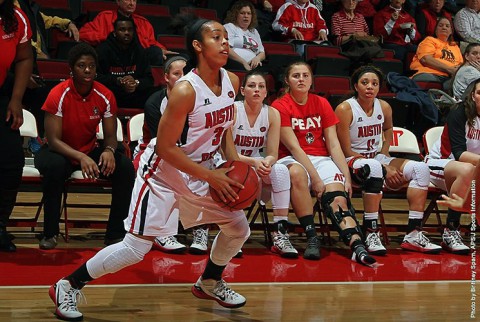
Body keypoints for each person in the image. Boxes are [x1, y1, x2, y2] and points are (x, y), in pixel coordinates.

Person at [49, 19, 249, 321]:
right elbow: (167, 148)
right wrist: (210, 176)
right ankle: (68, 284)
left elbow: (225, 130)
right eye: (216, 37)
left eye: (226, 37)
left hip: (203, 169)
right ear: (197, 46)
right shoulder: (185, 91)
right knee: (135, 248)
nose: (225, 42)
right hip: (164, 172)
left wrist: (233, 166)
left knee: (238, 228)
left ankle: (209, 280)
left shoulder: (232, 82)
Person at [271, 61, 376, 265]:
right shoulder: (279, 106)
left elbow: (334, 145)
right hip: (291, 159)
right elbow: (294, 148)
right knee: (297, 174)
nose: (301, 79)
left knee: (337, 198)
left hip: (321, 158)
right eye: (296, 76)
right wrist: (317, 179)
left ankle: (356, 244)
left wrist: (345, 176)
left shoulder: (321, 102)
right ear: (287, 80)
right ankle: (312, 237)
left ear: (311, 80)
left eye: (305, 75)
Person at [34, 43, 135, 250]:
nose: (87, 70)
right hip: (57, 150)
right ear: (71, 69)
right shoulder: (58, 94)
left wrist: (108, 151)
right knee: (55, 168)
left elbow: (109, 136)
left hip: (89, 148)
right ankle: (50, 233)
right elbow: (53, 140)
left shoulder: (105, 95)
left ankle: (115, 233)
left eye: (91, 66)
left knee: (124, 167)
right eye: (81, 66)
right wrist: (81, 157)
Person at [335, 65, 442, 255]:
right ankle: (371, 231)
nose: (370, 87)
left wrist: (383, 153)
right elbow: (345, 150)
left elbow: (388, 129)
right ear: (355, 85)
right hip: (351, 161)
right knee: (375, 167)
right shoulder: (345, 109)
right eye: (365, 83)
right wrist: (383, 167)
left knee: (421, 169)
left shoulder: (384, 106)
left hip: (376, 158)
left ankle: (414, 233)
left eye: (374, 83)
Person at [228, 70, 296, 257]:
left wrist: (267, 162)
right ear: (242, 90)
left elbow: (273, 153)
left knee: (280, 170)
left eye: (261, 86)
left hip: (255, 164)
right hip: (229, 163)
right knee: (240, 173)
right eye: (251, 86)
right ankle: (232, 234)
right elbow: (226, 152)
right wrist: (254, 162)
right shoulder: (233, 110)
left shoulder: (272, 113)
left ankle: (280, 233)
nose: (256, 90)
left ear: (266, 92)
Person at [133, 55, 188, 254]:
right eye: (176, 74)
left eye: (186, 74)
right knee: (170, 170)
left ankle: (201, 229)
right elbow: (163, 144)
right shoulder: (154, 103)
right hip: (151, 151)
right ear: (166, 77)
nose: (182, 78)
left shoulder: (198, 100)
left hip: (184, 150)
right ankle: (162, 231)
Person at [430, 78, 480, 255]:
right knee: (467, 169)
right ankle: (451, 231)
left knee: (472, 170)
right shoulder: (460, 112)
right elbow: (459, 154)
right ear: (473, 96)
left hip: (473, 168)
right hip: (439, 164)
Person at [0, 0, 33, 252]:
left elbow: (24, 58)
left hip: (2, 94)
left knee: (11, 162)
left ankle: (0, 226)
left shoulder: (17, 18)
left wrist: (16, 98)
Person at [80, 0, 177, 66]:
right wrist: (109, 37)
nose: (132, 3)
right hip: (114, 58)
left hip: (136, 59)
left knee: (175, 57)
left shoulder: (143, 22)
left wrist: (161, 49)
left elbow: (151, 42)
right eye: (128, 0)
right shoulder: (105, 17)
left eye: (134, 0)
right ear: (118, 1)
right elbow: (83, 34)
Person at [95, 16, 154, 109]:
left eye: (130, 30)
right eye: (122, 30)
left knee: (156, 92)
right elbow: (97, 77)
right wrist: (118, 81)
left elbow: (149, 79)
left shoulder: (139, 50)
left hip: (134, 93)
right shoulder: (103, 50)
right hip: (112, 92)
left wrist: (136, 83)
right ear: (114, 33)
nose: (127, 33)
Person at [410, 17, 463, 91]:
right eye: (440, 25)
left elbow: (460, 65)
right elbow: (425, 59)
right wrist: (449, 69)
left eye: (447, 26)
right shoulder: (429, 40)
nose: (444, 27)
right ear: (436, 30)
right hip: (430, 73)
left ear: (451, 31)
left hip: (449, 77)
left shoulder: (455, 46)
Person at [15, 0, 79, 59]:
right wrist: (40, 53)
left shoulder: (31, 6)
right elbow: (22, 36)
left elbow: (48, 20)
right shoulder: (16, 6)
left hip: (37, 56)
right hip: (28, 56)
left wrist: (69, 23)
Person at [223, 1, 266, 71]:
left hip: (253, 65)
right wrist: (243, 62)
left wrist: (257, 58)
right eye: (242, 13)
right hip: (235, 63)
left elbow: (262, 53)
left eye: (249, 13)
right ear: (236, 15)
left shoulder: (254, 31)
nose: (246, 16)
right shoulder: (229, 27)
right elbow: (226, 47)